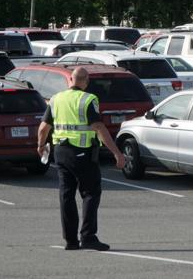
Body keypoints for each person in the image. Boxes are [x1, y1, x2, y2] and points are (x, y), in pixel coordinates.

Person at [37, 67, 125, 251]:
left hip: (60, 151)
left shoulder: (55, 99)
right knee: (91, 193)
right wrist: (116, 153)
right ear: (86, 81)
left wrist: (40, 145)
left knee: (66, 195)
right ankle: (88, 237)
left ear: (70, 79)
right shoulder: (88, 99)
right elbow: (99, 127)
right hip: (82, 152)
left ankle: (70, 240)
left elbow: (43, 127)